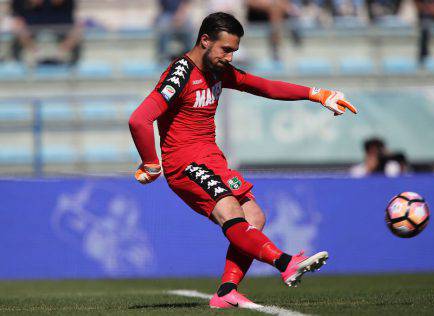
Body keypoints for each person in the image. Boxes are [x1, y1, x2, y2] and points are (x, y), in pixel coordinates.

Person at [129, 12, 357, 309]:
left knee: (255, 218)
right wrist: (150, 162)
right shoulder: (180, 73)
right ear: (205, 40)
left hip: (211, 158)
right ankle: (285, 262)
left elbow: (264, 86)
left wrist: (317, 94)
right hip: (184, 164)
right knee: (230, 212)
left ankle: (226, 291)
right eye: (226, 49)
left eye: (234, 51)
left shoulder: (217, 70)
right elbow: (139, 120)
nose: (230, 57)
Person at [10, 0, 82, 65]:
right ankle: (26, 60)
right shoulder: (20, 4)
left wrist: (63, 48)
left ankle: (64, 60)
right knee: (18, 29)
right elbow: (17, 20)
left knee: (77, 30)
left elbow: (75, 24)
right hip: (31, 30)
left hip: (61, 30)